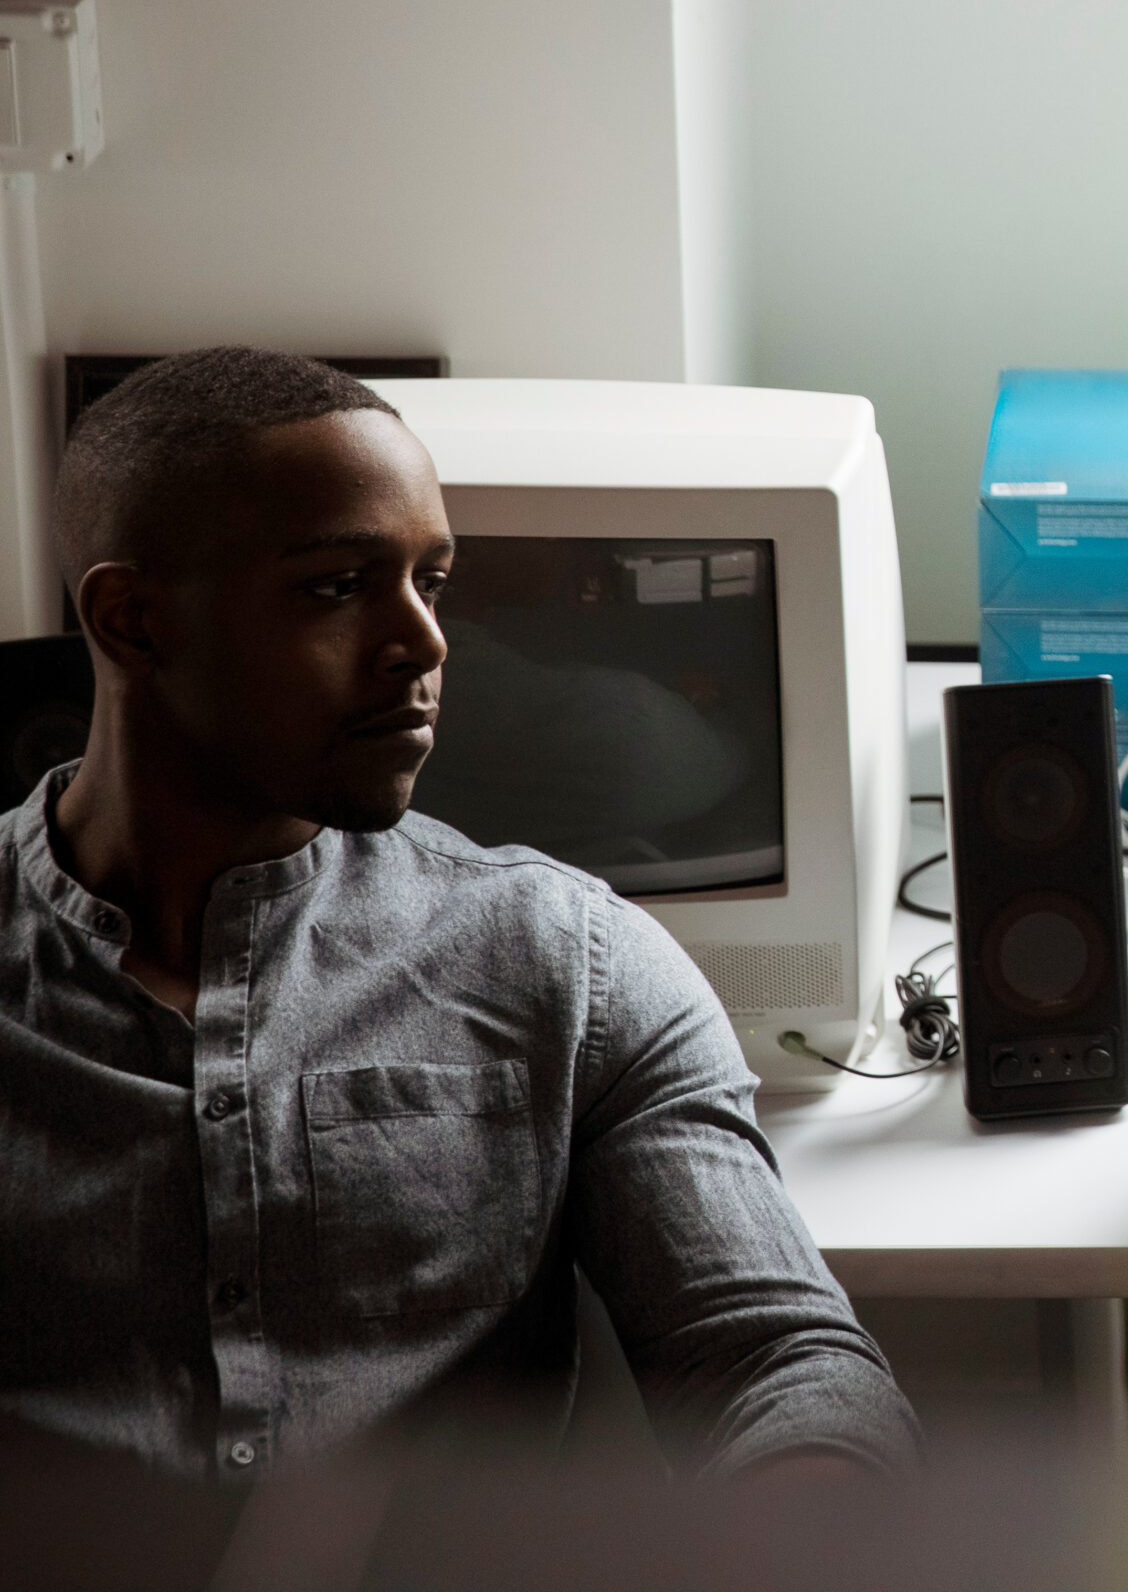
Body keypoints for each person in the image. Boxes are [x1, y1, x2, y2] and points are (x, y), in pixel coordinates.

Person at [0, 350, 919, 1482]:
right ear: (131, 621)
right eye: (337, 586)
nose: (427, 644)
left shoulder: (564, 961)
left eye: (430, 582)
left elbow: (774, 1355)